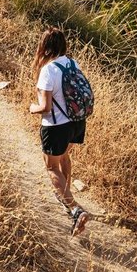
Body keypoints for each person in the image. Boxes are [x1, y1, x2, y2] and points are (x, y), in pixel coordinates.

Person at [29, 27, 91, 235]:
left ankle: (75, 209)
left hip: (56, 126)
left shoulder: (48, 70)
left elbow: (45, 107)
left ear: (45, 47)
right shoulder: (73, 63)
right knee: (64, 157)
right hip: (77, 122)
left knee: (51, 167)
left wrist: (31, 108)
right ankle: (68, 198)